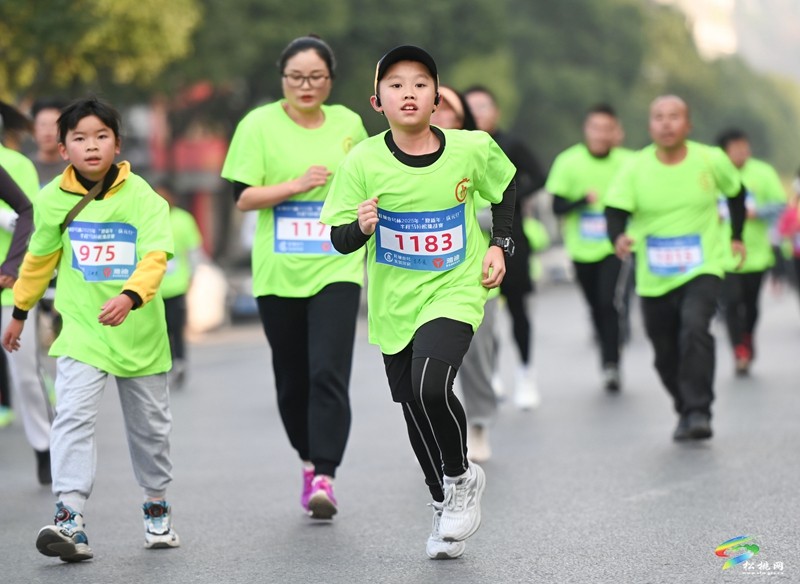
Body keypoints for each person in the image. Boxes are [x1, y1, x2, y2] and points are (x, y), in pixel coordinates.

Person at [321, 46, 516, 559]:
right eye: (396, 85)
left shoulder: (471, 148)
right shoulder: (361, 160)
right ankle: (441, 502)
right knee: (413, 406)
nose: (409, 92)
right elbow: (339, 240)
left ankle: (461, 477)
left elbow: (506, 187)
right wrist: (360, 228)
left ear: (437, 98)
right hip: (394, 302)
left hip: (456, 287)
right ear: (377, 101)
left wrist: (501, 244)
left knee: (432, 385)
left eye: (421, 84)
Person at [2, 97, 179, 562]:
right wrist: (19, 313)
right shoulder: (50, 200)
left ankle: (156, 504)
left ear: (117, 144)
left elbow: (156, 255)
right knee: (72, 417)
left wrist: (130, 296)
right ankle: (70, 517)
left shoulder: (142, 196)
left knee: (150, 430)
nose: (91, 146)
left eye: (101, 136)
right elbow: (39, 261)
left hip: (139, 331)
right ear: (63, 149)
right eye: (79, 138)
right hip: (82, 330)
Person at [220, 35, 368, 520]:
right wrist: (296, 185)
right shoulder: (257, 124)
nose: (306, 86)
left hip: (337, 265)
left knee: (328, 370)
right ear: (282, 78)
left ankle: (325, 473)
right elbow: (243, 197)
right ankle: (307, 460)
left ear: (331, 78)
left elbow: (371, 180)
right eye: (296, 77)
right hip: (278, 273)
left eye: (316, 77)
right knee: (292, 379)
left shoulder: (349, 123)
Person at [605, 95, 746, 442]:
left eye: (674, 117)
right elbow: (615, 210)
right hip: (655, 274)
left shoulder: (710, 159)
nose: (666, 123)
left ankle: (699, 410)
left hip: (703, 265)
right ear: (650, 124)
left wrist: (737, 237)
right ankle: (685, 406)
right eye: (658, 117)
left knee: (695, 329)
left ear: (689, 124)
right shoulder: (636, 166)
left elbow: (736, 193)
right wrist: (617, 238)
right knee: (663, 351)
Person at [464, 85, 546, 410]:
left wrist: (511, 197)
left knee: (517, 308)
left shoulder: (511, 144)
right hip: (472, 239)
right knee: (482, 312)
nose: (479, 113)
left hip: (511, 237)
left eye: (484, 106)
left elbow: (539, 176)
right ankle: (491, 374)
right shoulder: (461, 148)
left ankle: (526, 374)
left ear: (496, 111)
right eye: (472, 108)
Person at [547, 104, 632, 392]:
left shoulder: (628, 161)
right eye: (595, 127)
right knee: (595, 305)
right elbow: (557, 206)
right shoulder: (568, 161)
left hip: (613, 246)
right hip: (581, 249)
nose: (600, 134)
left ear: (615, 132)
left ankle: (612, 363)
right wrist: (583, 200)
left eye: (606, 128)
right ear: (587, 129)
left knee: (609, 301)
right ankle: (608, 348)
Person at [432, 86, 496, 462]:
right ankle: (442, 431)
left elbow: (502, 203)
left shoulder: (477, 154)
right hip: (423, 281)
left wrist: (460, 216)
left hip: (476, 278)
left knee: (477, 357)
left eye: (448, 111)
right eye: (433, 108)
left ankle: (479, 424)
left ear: (461, 120)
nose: (438, 115)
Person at [0, 101, 55, 484]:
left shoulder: (17, 164)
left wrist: (13, 266)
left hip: (10, 287)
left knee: (25, 376)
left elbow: (30, 217)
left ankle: (44, 445)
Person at [716, 129, 786, 375]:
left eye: (745, 147)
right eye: (735, 148)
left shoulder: (763, 172)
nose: (742, 152)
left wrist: (756, 213)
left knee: (751, 304)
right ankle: (739, 349)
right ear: (725, 150)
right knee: (731, 303)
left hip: (756, 253)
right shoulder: (715, 173)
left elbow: (780, 204)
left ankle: (747, 335)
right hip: (723, 254)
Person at [154, 181, 203, 388]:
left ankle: (180, 363)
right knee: (160, 330)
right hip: (152, 289)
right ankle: (167, 363)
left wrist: (192, 276)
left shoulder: (184, 220)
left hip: (176, 287)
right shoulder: (149, 218)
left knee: (177, 327)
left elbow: (193, 251)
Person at [31, 98, 70, 187]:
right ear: (34, 129)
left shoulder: (74, 169)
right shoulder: (24, 166)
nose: (47, 132)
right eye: (43, 125)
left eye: (54, 125)